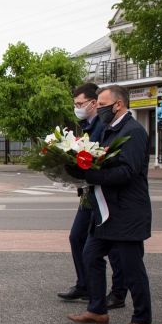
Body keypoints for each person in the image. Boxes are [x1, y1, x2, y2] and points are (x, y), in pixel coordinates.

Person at [65, 85, 154, 324]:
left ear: (118, 105)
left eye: (103, 105)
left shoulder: (133, 131)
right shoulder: (109, 129)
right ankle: (97, 310)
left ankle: (143, 320)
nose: (99, 108)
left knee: (131, 267)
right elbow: (100, 161)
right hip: (106, 212)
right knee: (90, 255)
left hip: (127, 213)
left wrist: (90, 176)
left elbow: (127, 172)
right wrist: (76, 168)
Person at [58, 83, 127, 309]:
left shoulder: (104, 125)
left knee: (112, 246)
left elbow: (104, 158)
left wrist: (84, 170)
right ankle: (85, 285)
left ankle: (117, 292)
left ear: (93, 103)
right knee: (77, 238)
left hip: (104, 194)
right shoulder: (87, 125)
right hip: (90, 192)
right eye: (75, 104)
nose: (77, 108)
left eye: (80, 104)